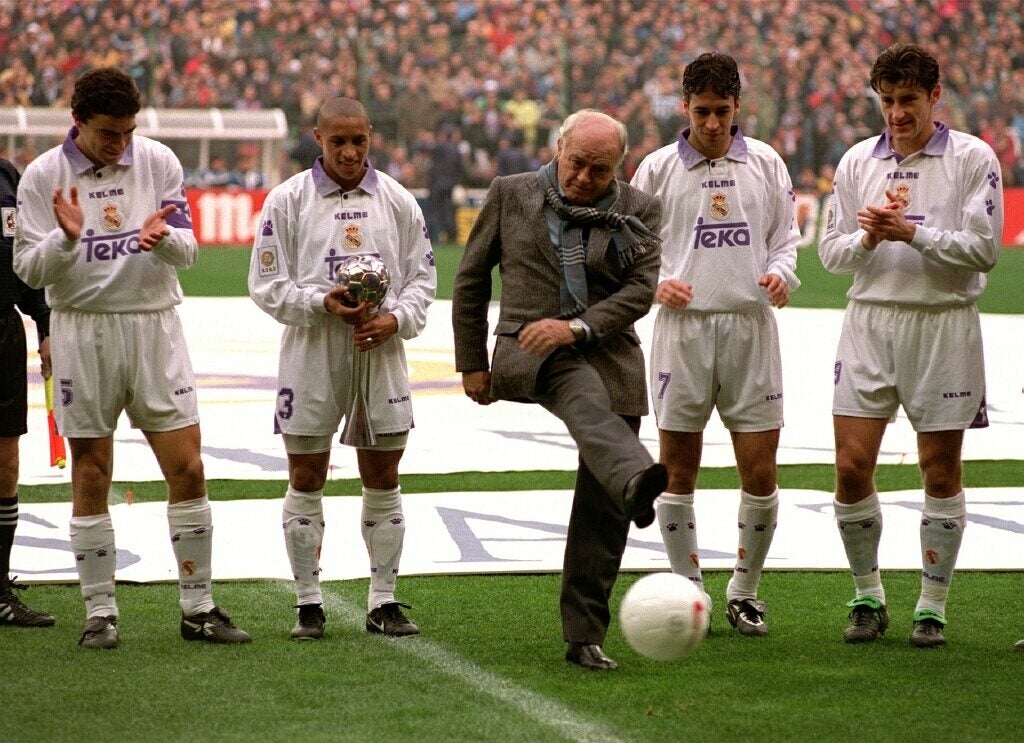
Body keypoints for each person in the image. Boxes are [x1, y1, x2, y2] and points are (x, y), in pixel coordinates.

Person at [13, 67, 251, 649]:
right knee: (92, 473)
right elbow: (27, 270)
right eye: (106, 134)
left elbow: (189, 251)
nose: (119, 144)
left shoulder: (158, 162)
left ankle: (198, 608)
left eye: (127, 132)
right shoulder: (43, 176)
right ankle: (100, 612)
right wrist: (66, 240)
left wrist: (162, 238)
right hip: (82, 330)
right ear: (78, 123)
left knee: (188, 468)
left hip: (154, 327)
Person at [453, 109, 667, 671]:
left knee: (604, 504)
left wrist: (578, 327)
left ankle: (584, 634)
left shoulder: (638, 208)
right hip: (529, 344)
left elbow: (641, 292)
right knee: (583, 393)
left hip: (608, 346)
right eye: (576, 164)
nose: (582, 179)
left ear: (619, 168)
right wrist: (473, 362)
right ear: (558, 148)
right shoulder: (511, 193)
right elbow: (472, 278)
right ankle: (635, 475)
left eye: (599, 171)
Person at [818, 43, 1003, 648]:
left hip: (943, 323)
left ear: (934, 97)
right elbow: (831, 254)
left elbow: (983, 250)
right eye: (888, 101)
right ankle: (868, 596)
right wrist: (870, 242)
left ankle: (932, 604)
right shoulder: (855, 162)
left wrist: (911, 233)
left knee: (940, 468)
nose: (897, 113)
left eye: (908, 101)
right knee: (850, 467)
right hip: (870, 322)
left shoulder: (974, 158)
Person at [248, 97, 436, 641]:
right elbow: (265, 285)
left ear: (371, 136)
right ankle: (308, 603)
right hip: (312, 350)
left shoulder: (398, 201)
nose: (350, 151)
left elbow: (423, 280)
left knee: (383, 476)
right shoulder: (286, 201)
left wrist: (396, 320)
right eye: (338, 142)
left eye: (359, 140)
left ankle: (384, 600)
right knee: (306, 475)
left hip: (380, 350)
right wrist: (320, 303)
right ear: (317, 138)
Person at [630, 52, 801, 638]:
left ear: (737, 107)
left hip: (751, 329)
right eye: (700, 111)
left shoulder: (767, 164)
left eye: (721, 112)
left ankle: (745, 592)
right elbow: (629, 252)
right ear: (683, 106)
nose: (710, 124)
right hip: (683, 332)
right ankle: (691, 591)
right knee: (678, 469)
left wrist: (783, 275)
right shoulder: (654, 170)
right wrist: (656, 285)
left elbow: (786, 241)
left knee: (760, 468)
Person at [0, 156, 55, 629]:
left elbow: (22, 263)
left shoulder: (6, 178)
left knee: (5, 463)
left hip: (1, 331)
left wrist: (44, 324)